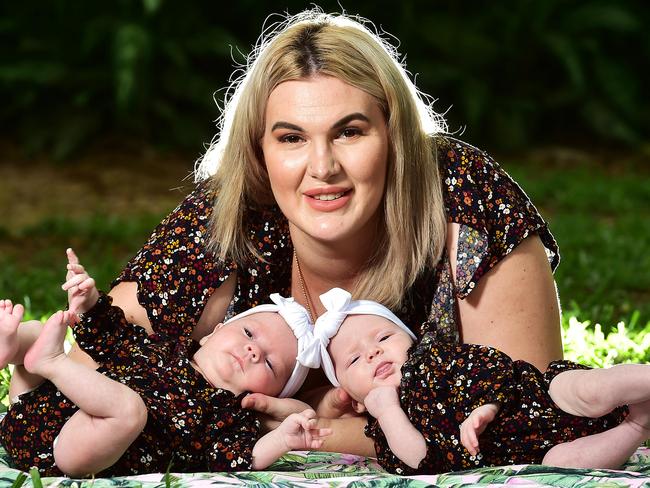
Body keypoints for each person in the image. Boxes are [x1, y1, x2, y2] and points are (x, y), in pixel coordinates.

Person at [11, 8, 563, 455]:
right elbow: (95, 368)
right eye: (292, 138)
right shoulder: (230, 214)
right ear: (260, 151)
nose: (322, 167)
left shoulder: (460, 189)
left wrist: (307, 431)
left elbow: (533, 410)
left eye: (349, 131)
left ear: (395, 137)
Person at [0, 249, 329, 477]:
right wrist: (88, 300)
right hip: (34, 416)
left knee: (129, 411)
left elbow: (241, 458)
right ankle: (13, 345)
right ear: (212, 333)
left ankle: (52, 361)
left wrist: (284, 439)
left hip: (73, 451)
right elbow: (109, 333)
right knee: (45, 330)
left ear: (272, 392)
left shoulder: (224, 417)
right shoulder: (161, 349)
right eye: (248, 333)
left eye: (270, 365)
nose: (253, 351)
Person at [313, 287, 650, 474]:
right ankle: (638, 426)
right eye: (355, 359)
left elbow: (491, 364)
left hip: (540, 396)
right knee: (564, 466)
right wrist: (387, 413)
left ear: (411, 340)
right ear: (355, 401)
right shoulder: (387, 436)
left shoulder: (433, 361)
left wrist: (485, 407)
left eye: (383, 338)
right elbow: (420, 460)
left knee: (588, 390)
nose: (373, 353)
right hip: (538, 452)